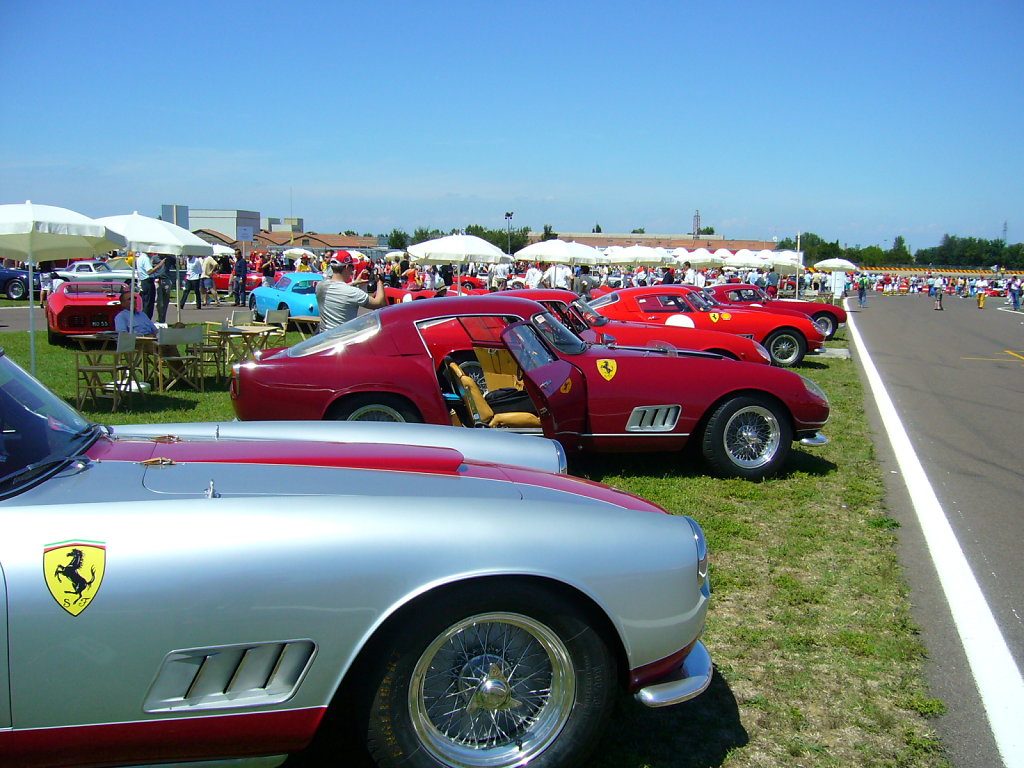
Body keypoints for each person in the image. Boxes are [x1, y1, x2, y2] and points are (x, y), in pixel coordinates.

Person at [315, 256, 387, 332]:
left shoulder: (320, 286)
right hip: (345, 338)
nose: (352, 269)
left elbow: (338, 289)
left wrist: (354, 282)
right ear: (346, 267)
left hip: (323, 338)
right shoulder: (353, 292)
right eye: (352, 266)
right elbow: (379, 304)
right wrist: (380, 281)